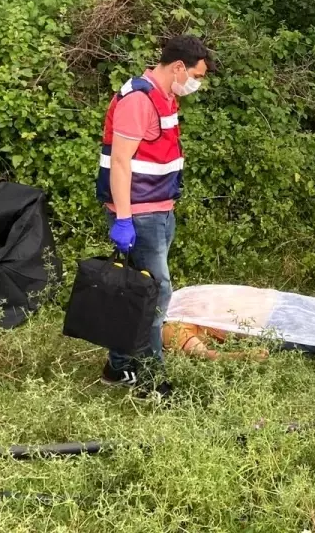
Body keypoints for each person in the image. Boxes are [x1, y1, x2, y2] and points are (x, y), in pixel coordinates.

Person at [96, 35, 216, 397]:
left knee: (138, 294)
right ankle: (151, 381)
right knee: (155, 294)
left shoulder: (166, 98)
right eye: (197, 74)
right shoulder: (138, 100)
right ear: (178, 66)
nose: (198, 82)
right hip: (140, 215)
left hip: (160, 210)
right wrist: (123, 219)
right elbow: (120, 161)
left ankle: (117, 367)